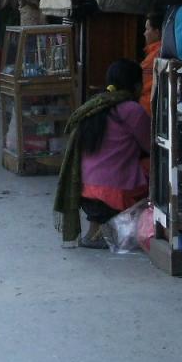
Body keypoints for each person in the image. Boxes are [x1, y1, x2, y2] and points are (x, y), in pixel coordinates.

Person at [53, 59, 151, 248]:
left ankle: (97, 230)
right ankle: (124, 227)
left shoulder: (93, 107)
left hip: (83, 191)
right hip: (114, 195)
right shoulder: (132, 110)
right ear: (137, 86)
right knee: (153, 165)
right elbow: (151, 146)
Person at [140, 12, 163, 115]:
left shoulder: (155, 55)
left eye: (147, 29)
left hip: (147, 109)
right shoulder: (161, 51)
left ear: (157, 32)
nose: (144, 33)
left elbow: (139, 85)